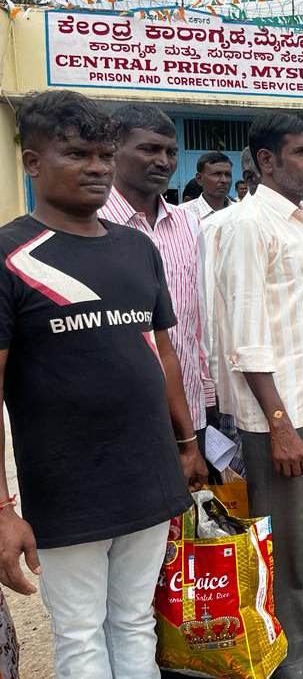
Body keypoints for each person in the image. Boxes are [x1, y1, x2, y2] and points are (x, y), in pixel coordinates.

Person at [0, 89, 205, 678]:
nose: (96, 167)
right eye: (77, 154)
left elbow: (164, 355)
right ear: (33, 163)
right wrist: (2, 511)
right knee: (82, 635)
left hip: (147, 473)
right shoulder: (10, 255)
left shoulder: (136, 248)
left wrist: (187, 445)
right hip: (67, 486)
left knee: (136, 620)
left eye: (103, 155)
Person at [211, 112, 303, 678]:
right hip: (282, 414)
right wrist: (279, 422)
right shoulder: (249, 224)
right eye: (300, 153)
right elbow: (246, 337)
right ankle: (286, 661)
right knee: (284, 538)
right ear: (265, 161)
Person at [97, 105, 211, 462]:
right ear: (114, 150)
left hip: (190, 408)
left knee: (193, 515)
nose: (163, 161)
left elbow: (198, 320)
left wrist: (208, 397)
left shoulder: (189, 225)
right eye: (149, 149)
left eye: (171, 152)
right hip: (119, 415)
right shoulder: (90, 224)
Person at [181, 150, 234, 220]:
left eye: (228, 175)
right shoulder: (183, 214)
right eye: (217, 174)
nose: (224, 180)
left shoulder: (242, 211)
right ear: (199, 179)